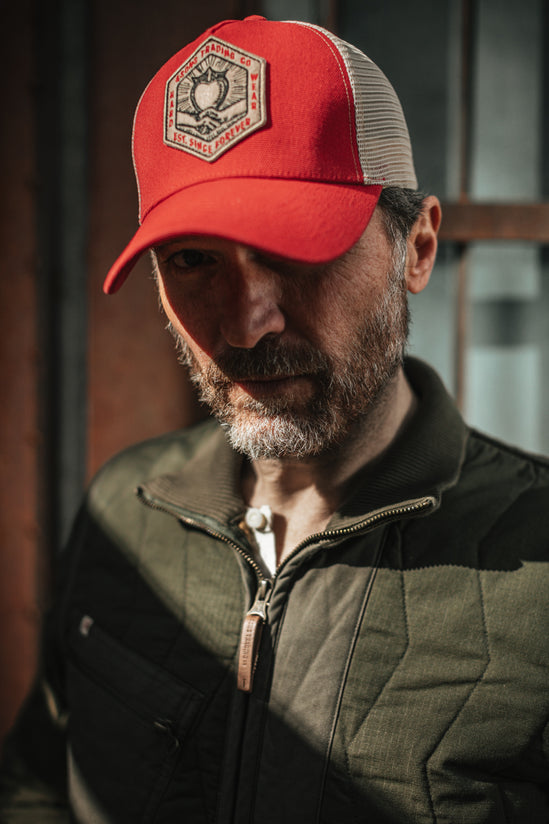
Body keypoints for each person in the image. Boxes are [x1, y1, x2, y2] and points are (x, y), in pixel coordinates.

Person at [1, 15, 548, 823]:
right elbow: (38, 782)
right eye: (193, 261)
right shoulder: (129, 506)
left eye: (299, 250)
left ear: (417, 248)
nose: (244, 323)